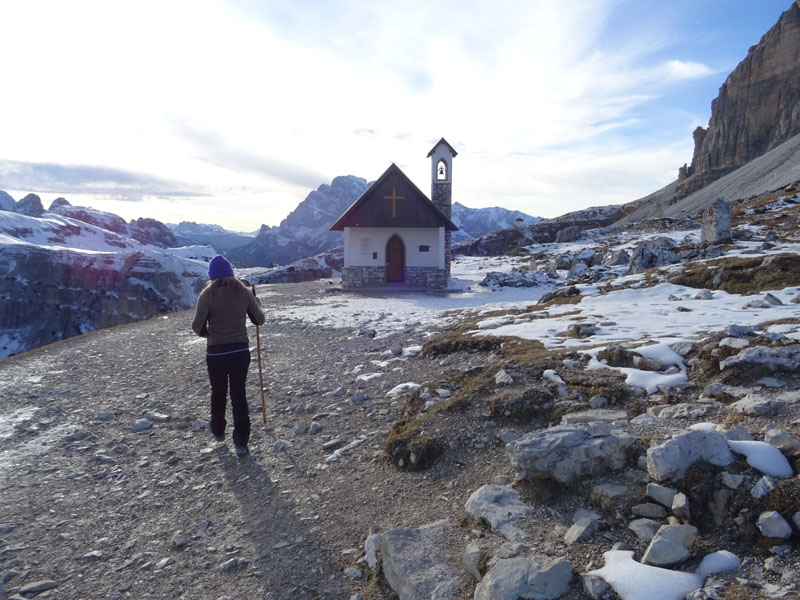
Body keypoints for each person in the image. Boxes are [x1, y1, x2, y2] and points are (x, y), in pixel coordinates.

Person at [192, 255, 265, 456]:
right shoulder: (243, 292)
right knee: (238, 394)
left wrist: (208, 334)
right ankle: (241, 442)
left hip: (216, 352)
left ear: (212, 275)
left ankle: (218, 430)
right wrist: (258, 302)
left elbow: (196, 326)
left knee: (218, 391)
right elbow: (259, 320)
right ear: (231, 272)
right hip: (240, 351)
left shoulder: (207, 294)